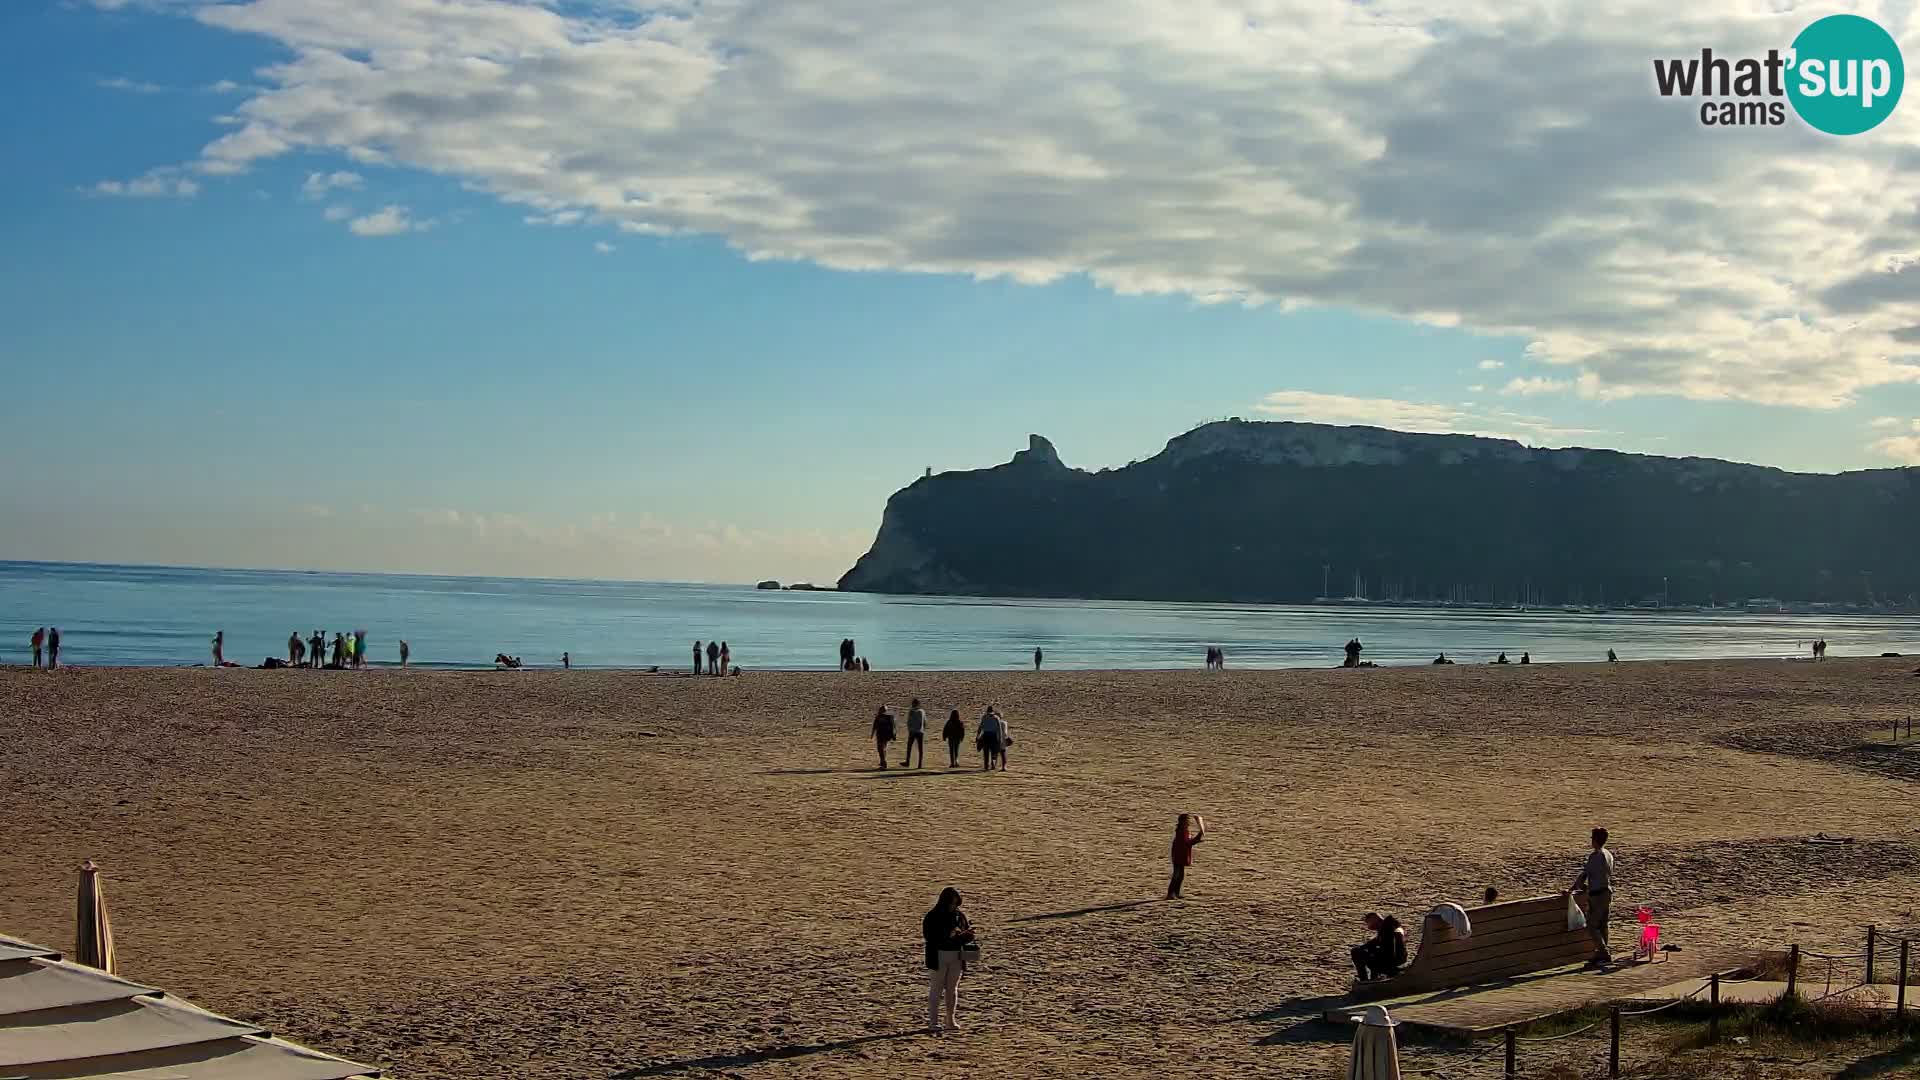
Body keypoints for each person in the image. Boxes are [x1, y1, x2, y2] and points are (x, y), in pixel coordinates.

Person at [922, 887, 974, 1033]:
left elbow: (966, 935)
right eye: (951, 903)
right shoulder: (933, 916)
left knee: (952, 989)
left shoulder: (959, 915)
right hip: (938, 956)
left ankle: (950, 1020)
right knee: (936, 988)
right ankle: (933, 1022)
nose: (953, 906)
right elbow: (930, 937)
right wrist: (948, 935)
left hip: (956, 955)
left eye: (955, 903)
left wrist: (967, 935)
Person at [1571, 827, 1615, 969]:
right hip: (1607, 892)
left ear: (1595, 840)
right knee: (1603, 925)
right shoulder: (1608, 854)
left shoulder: (1596, 856)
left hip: (1598, 894)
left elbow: (1585, 874)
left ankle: (1604, 953)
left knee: (1591, 925)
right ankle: (1601, 953)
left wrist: (1572, 889)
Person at [1351, 913, 1408, 981]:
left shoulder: (1388, 929)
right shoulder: (1389, 927)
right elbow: (1375, 942)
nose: (1368, 926)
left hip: (1392, 963)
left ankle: (1364, 980)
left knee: (1356, 952)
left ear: (1374, 920)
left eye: (1368, 923)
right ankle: (1373, 978)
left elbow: (1389, 951)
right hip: (1397, 961)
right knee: (1368, 950)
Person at [1168, 813, 1206, 899]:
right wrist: (1198, 837)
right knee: (1176, 875)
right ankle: (1171, 893)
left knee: (1180, 876)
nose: (1189, 822)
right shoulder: (1181, 831)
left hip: (1181, 855)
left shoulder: (1184, 831)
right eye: (1187, 821)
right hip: (1178, 855)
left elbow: (1188, 842)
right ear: (1183, 822)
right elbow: (1187, 843)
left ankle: (1176, 893)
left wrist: (1198, 837)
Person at [977, 706, 1004, 771]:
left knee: (986, 752)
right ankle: (993, 764)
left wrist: (977, 736)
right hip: (993, 736)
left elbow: (980, 727)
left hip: (986, 735)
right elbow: (999, 729)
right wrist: (1000, 739)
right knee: (994, 751)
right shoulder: (996, 718)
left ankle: (986, 766)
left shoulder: (984, 717)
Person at [904, 698, 926, 768]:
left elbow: (909, 721)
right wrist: (923, 729)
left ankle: (907, 762)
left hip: (913, 731)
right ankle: (920, 764)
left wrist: (909, 729)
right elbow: (925, 722)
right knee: (920, 748)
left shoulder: (912, 711)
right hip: (920, 731)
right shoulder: (922, 711)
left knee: (909, 747)